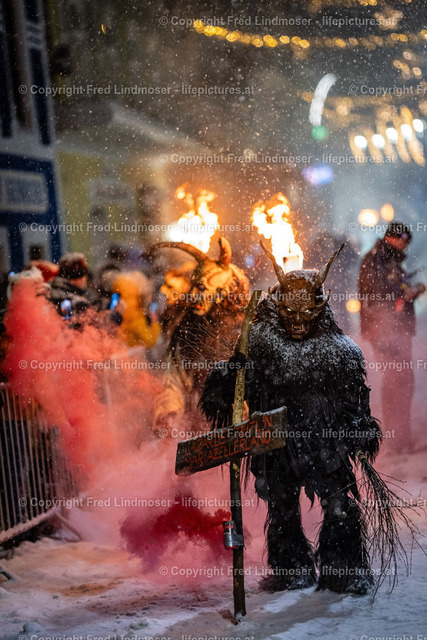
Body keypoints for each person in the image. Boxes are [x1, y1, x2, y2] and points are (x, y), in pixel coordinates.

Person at [358, 222, 426, 452]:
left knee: (401, 382)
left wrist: (406, 292)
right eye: (405, 241)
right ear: (395, 238)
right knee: (397, 382)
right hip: (386, 333)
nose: (406, 246)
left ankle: (400, 439)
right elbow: (377, 296)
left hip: (393, 331)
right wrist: (406, 293)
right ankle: (397, 442)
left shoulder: (386, 258)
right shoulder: (377, 259)